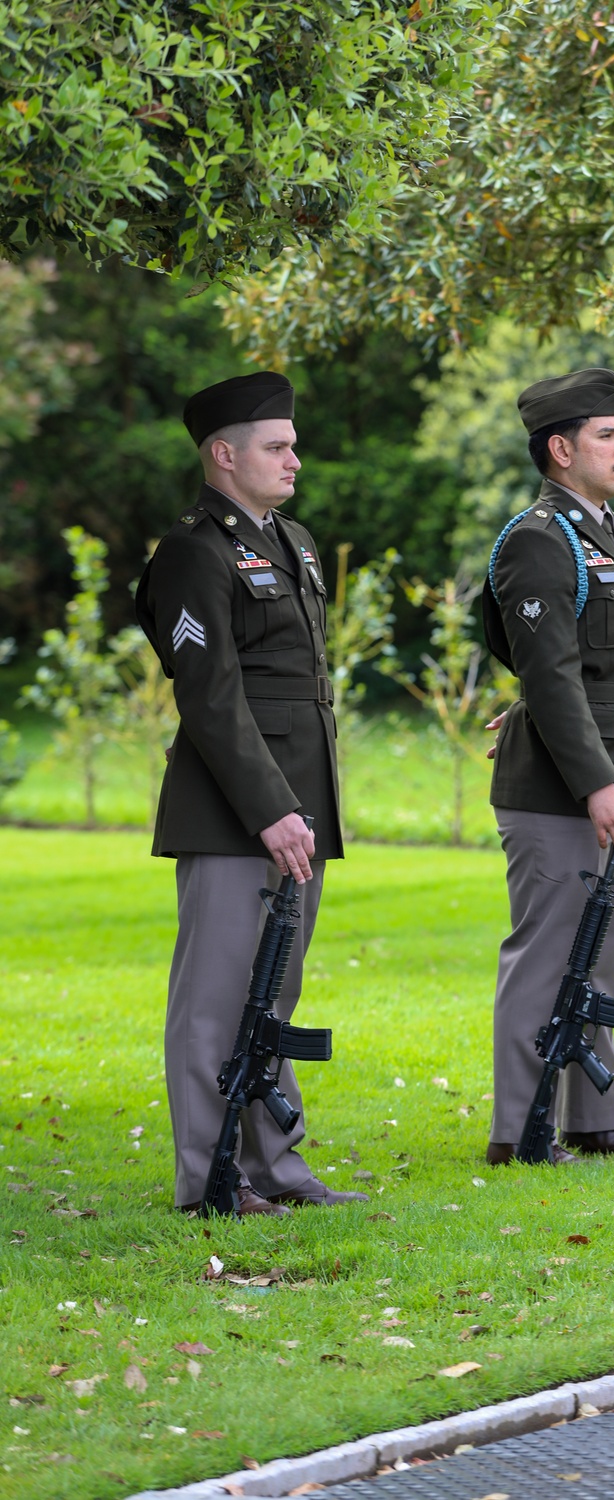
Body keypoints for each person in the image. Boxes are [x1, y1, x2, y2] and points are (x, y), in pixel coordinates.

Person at [136, 372, 368, 1214]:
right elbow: (210, 694)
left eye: (293, 443)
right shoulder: (193, 552)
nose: (294, 459)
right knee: (216, 999)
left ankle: (276, 1166)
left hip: (296, 808)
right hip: (235, 812)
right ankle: (210, 1180)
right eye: (277, 446)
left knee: (275, 991)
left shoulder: (293, 543)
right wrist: (271, 806)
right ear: (224, 455)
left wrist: (300, 807)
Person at [481, 366, 614, 1164]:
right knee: (549, 956)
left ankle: (595, 1122)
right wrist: (595, 780)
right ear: (561, 449)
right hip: (564, 789)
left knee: (602, 950)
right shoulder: (538, 537)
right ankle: (518, 1134)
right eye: (608, 435)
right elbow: (549, 668)